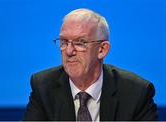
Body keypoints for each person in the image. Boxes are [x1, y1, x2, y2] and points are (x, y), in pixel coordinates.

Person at [23, 8, 158, 121]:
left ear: (102, 50)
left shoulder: (136, 92)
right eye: (64, 42)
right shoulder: (43, 86)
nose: (69, 51)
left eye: (80, 42)